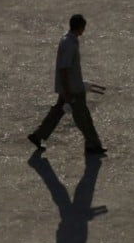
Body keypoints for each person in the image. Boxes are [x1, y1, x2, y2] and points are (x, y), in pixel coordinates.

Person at [28, 14, 106, 156]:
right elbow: (64, 69)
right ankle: (93, 144)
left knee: (57, 111)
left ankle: (38, 135)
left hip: (69, 86)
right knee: (83, 117)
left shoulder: (68, 39)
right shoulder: (70, 44)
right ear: (80, 27)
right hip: (73, 89)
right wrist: (67, 92)